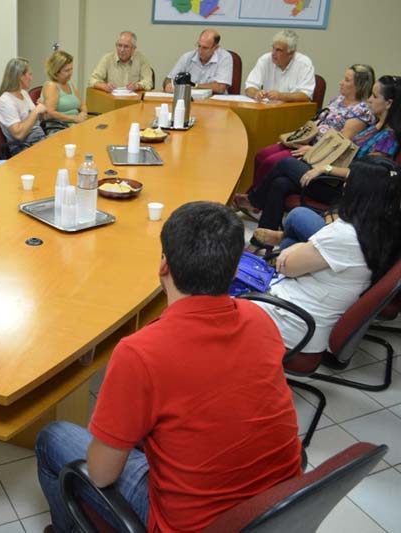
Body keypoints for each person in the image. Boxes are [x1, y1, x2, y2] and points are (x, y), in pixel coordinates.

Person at [36, 202, 301, 532]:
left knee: (52, 437)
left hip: (194, 525)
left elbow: (102, 474)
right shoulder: (260, 320)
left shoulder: (140, 353)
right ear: (235, 270)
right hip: (277, 510)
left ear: (164, 265)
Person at [255, 159, 401, 353]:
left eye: (349, 181)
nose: (344, 186)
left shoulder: (345, 234)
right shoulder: (384, 226)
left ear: (359, 190)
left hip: (293, 322)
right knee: (290, 245)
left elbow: (286, 267)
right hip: (311, 313)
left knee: (221, 300)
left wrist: (294, 250)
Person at [239, 74, 401, 241]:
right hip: (334, 179)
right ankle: (260, 243)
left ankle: (255, 201)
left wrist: (326, 168)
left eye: (374, 96)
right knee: (280, 183)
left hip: (343, 190)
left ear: (389, 103)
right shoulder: (375, 125)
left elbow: (366, 177)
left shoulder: (388, 138)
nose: (369, 99)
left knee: (285, 163)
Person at [245, 64, 375, 194]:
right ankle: (252, 194)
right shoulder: (338, 99)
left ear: (359, 86)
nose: (341, 83)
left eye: (347, 80)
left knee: (271, 162)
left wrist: (314, 149)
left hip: (319, 152)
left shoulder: (361, 111)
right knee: (261, 155)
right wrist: (296, 138)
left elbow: (342, 145)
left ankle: (254, 198)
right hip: (306, 140)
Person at [244, 30, 315, 102]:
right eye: (273, 48)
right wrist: (256, 93)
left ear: (291, 53)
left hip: (293, 108)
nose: (273, 53)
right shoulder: (265, 60)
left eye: (278, 50)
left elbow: (306, 95)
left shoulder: (304, 64)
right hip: (268, 107)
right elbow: (249, 86)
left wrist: (281, 96)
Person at [0, 58, 47, 155]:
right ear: (20, 76)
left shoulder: (24, 93)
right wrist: (35, 112)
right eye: (30, 74)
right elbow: (19, 135)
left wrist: (40, 113)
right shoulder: (5, 101)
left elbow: (35, 123)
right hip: (23, 147)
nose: (31, 78)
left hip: (38, 139)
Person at [163, 29, 232, 95]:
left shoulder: (224, 58)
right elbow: (168, 79)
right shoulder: (188, 57)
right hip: (190, 98)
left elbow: (220, 87)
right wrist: (168, 85)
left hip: (214, 100)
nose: (200, 51)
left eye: (205, 48)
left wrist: (193, 85)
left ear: (216, 48)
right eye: (199, 46)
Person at [88, 31, 153, 93]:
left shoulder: (141, 59)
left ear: (133, 49)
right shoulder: (107, 59)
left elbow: (148, 82)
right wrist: (104, 86)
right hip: (112, 98)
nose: (122, 50)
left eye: (126, 47)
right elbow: (92, 80)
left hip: (134, 98)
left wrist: (137, 86)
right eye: (119, 45)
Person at [42, 49, 88, 126]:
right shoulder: (51, 86)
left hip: (76, 125)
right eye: (67, 70)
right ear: (56, 72)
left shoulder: (70, 84)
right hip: (60, 127)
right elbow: (50, 113)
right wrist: (74, 118)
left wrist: (83, 113)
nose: (71, 73)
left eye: (71, 69)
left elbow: (82, 105)